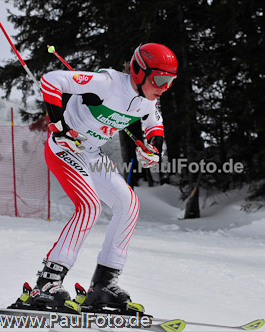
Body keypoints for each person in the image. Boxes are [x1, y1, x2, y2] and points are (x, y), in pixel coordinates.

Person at [26, 43, 178, 313]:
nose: (165, 87)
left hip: (92, 155)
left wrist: (153, 149)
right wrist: (58, 127)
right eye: (161, 79)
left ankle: (103, 285)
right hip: (64, 149)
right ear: (139, 71)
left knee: (128, 204)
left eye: (171, 81)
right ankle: (48, 283)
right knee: (89, 207)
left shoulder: (149, 99)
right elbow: (51, 81)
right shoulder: (106, 83)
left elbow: (154, 124)